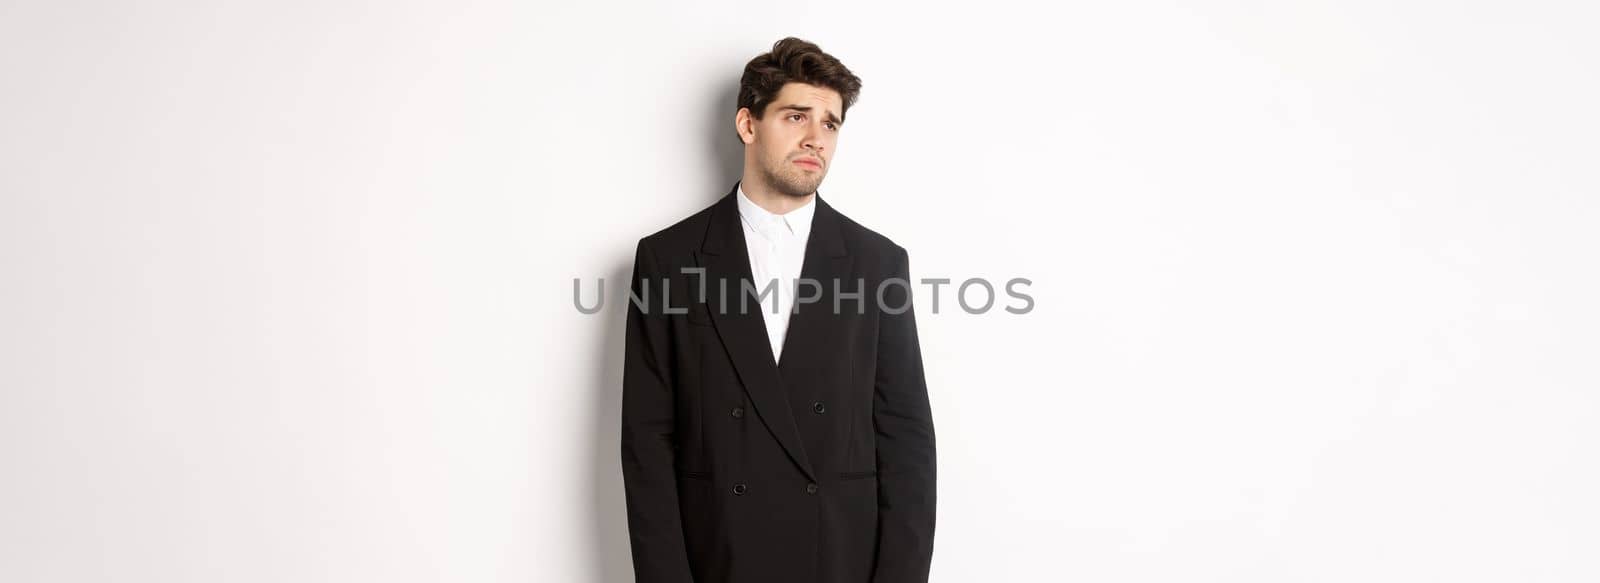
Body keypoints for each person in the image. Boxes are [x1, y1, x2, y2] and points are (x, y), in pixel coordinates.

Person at [620, 37, 936, 583]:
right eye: (796, 116)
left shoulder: (877, 262)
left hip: (839, 559)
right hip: (718, 554)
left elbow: (906, 438)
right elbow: (647, 440)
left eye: (831, 124)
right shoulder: (668, 257)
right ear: (748, 124)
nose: (817, 138)